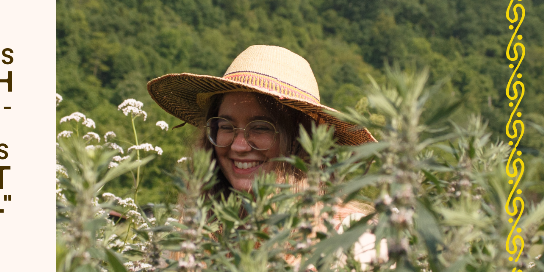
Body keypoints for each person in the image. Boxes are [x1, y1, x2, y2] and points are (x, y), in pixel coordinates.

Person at [146, 44, 374, 199]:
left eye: (261, 128)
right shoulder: (193, 236)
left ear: (303, 141)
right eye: (225, 127)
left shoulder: (342, 243)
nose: (238, 145)